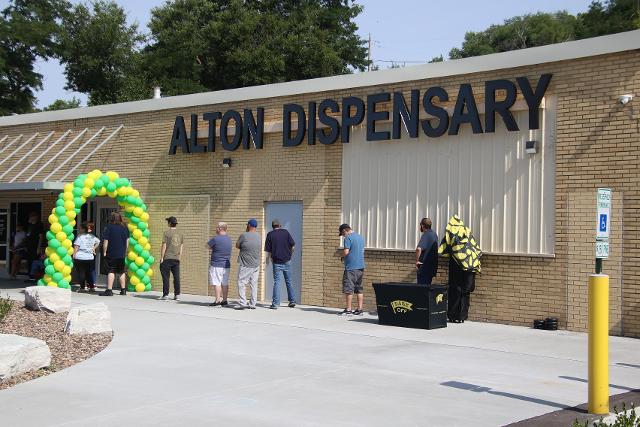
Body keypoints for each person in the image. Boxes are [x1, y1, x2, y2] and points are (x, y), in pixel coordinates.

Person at [264, 219, 296, 310]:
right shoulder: (285, 232)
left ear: (272, 226)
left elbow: (268, 250)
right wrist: (290, 255)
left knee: (277, 282)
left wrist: (268, 259)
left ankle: (275, 304)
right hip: (287, 261)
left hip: (276, 262)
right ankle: (292, 301)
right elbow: (293, 246)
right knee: (288, 281)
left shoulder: (270, 235)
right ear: (280, 225)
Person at [99, 212, 130, 296]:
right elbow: (127, 241)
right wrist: (125, 251)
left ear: (112, 218)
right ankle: (123, 290)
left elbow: (106, 241)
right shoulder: (125, 228)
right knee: (121, 271)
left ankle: (109, 290)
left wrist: (104, 252)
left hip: (112, 253)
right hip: (121, 254)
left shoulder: (109, 227)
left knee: (111, 270)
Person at [338, 223, 365, 316]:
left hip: (351, 268)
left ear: (345, 230)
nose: (343, 236)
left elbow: (346, 251)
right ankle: (360, 309)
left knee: (349, 288)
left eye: (342, 234)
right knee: (359, 289)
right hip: (361, 267)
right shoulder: (360, 237)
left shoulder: (348, 238)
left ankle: (349, 309)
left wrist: (341, 256)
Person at [236, 219, 261, 309]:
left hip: (246, 264)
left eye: (247, 225)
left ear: (249, 225)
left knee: (241, 282)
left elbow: (237, 245)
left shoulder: (244, 235)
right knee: (253, 284)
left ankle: (243, 302)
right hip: (256, 264)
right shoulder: (258, 236)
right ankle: (252, 304)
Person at [207, 222, 232, 306]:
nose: (215, 229)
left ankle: (217, 300)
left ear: (220, 228)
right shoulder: (229, 239)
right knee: (225, 283)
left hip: (216, 264)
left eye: (217, 227)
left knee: (217, 282)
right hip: (226, 265)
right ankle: (224, 300)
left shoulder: (215, 239)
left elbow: (207, 246)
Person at [159, 216, 183, 301]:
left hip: (167, 258)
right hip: (176, 258)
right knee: (176, 277)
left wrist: (162, 257)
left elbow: (164, 246)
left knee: (166, 277)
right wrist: (179, 257)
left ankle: (165, 295)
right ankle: (177, 295)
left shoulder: (166, 233)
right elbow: (181, 246)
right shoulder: (180, 233)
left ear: (169, 223)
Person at [73, 222, 100, 292]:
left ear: (83, 229)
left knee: (81, 273)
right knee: (89, 273)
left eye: (80, 228)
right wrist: (94, 248)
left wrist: (74, 255)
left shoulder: (80, 237)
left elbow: (76, 246)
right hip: (90, 257)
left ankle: (82, 288)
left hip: (80, 257)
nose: (79, 229)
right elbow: (98, 242)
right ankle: (91, 287)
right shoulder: (92, 237)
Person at [415, 218, 439, 285]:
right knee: (427, 288)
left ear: (422, 226)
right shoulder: (434, 235)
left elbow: (418, 249)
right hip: (432, 267)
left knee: (421, 289)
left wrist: (417, 261)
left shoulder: (426, 235)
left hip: (424, 268)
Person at [25, 211, 44, 279]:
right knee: (29, 260)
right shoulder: (30, 225)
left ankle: (35, 276)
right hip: (29, 246)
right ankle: (30, 276)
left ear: (36, 217)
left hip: (35, 246)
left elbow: (41, 237)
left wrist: (39, 247)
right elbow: (27, 235)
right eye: (30, 217)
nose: (31, 218)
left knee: (34, 261)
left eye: (33, 216)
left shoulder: (39, 225)